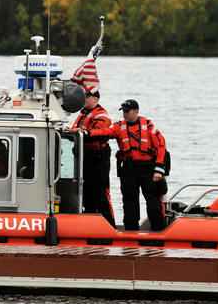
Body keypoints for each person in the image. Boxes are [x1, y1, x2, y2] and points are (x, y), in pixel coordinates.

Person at [100, 99, 168, 231]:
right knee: (129, 202)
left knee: (153, 201)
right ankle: (131, 231)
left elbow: (161, 147)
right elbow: (105, 133)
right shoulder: (119, 127)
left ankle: (158, 231)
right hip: (129, 168)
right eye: (124, 111)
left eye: (127, 111)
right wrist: (88, 133)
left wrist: (158, 170)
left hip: (148, 168)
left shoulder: (149, 127)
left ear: (136, 111)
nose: (125, 114)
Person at [69, 88, 116, 227]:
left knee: (101, 191)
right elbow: (75, 129)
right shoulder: (83, 114)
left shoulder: (101, 115)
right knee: (86, 190)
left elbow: (100, 132)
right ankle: (90, 221)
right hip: (85, 157)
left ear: (95, 99)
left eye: (88, 97)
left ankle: (109, 224)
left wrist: (85, 133)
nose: (85, 99)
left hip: (98, 157)